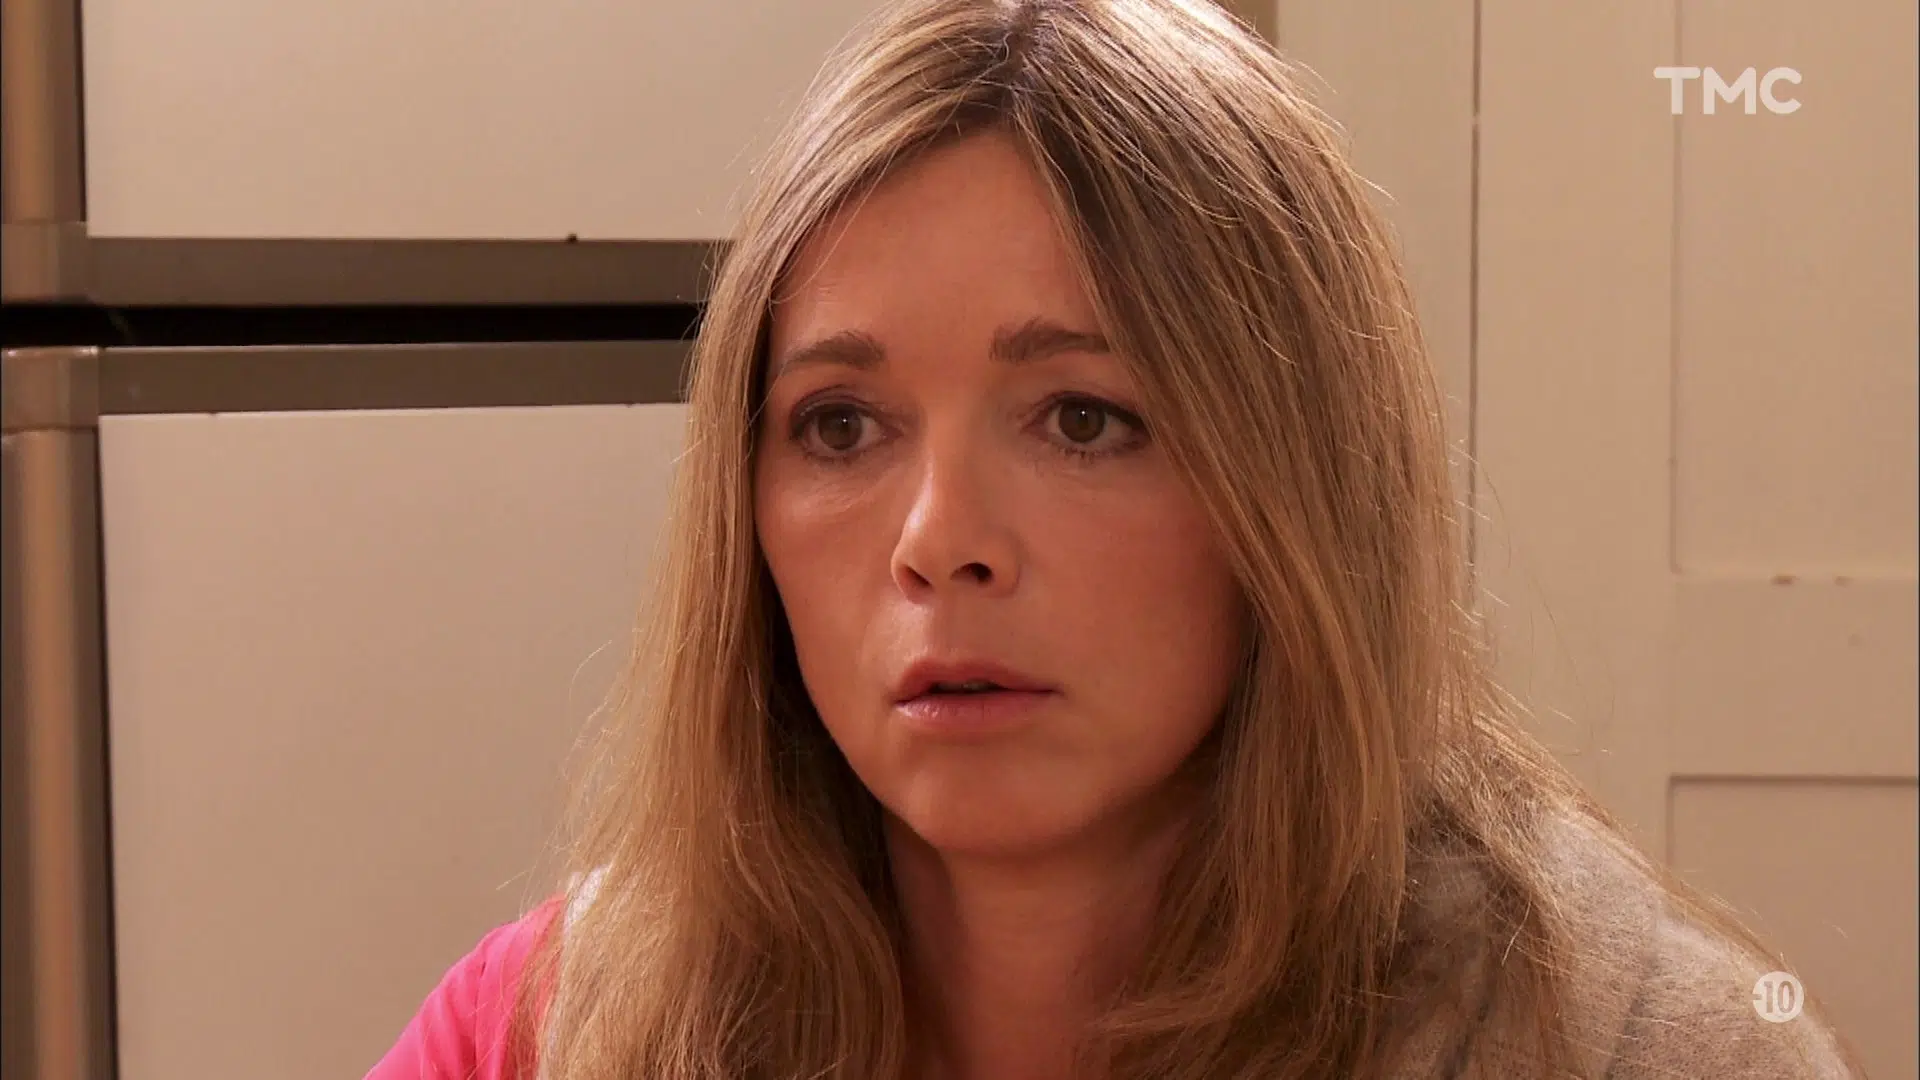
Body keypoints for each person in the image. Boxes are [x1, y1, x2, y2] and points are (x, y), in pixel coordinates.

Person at [367, 1, 1863, 1077]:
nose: (939, 542)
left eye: (1084, 419)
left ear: (1298, 494)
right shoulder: (556, 1025)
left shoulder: (1649, 1048)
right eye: (841, 425)